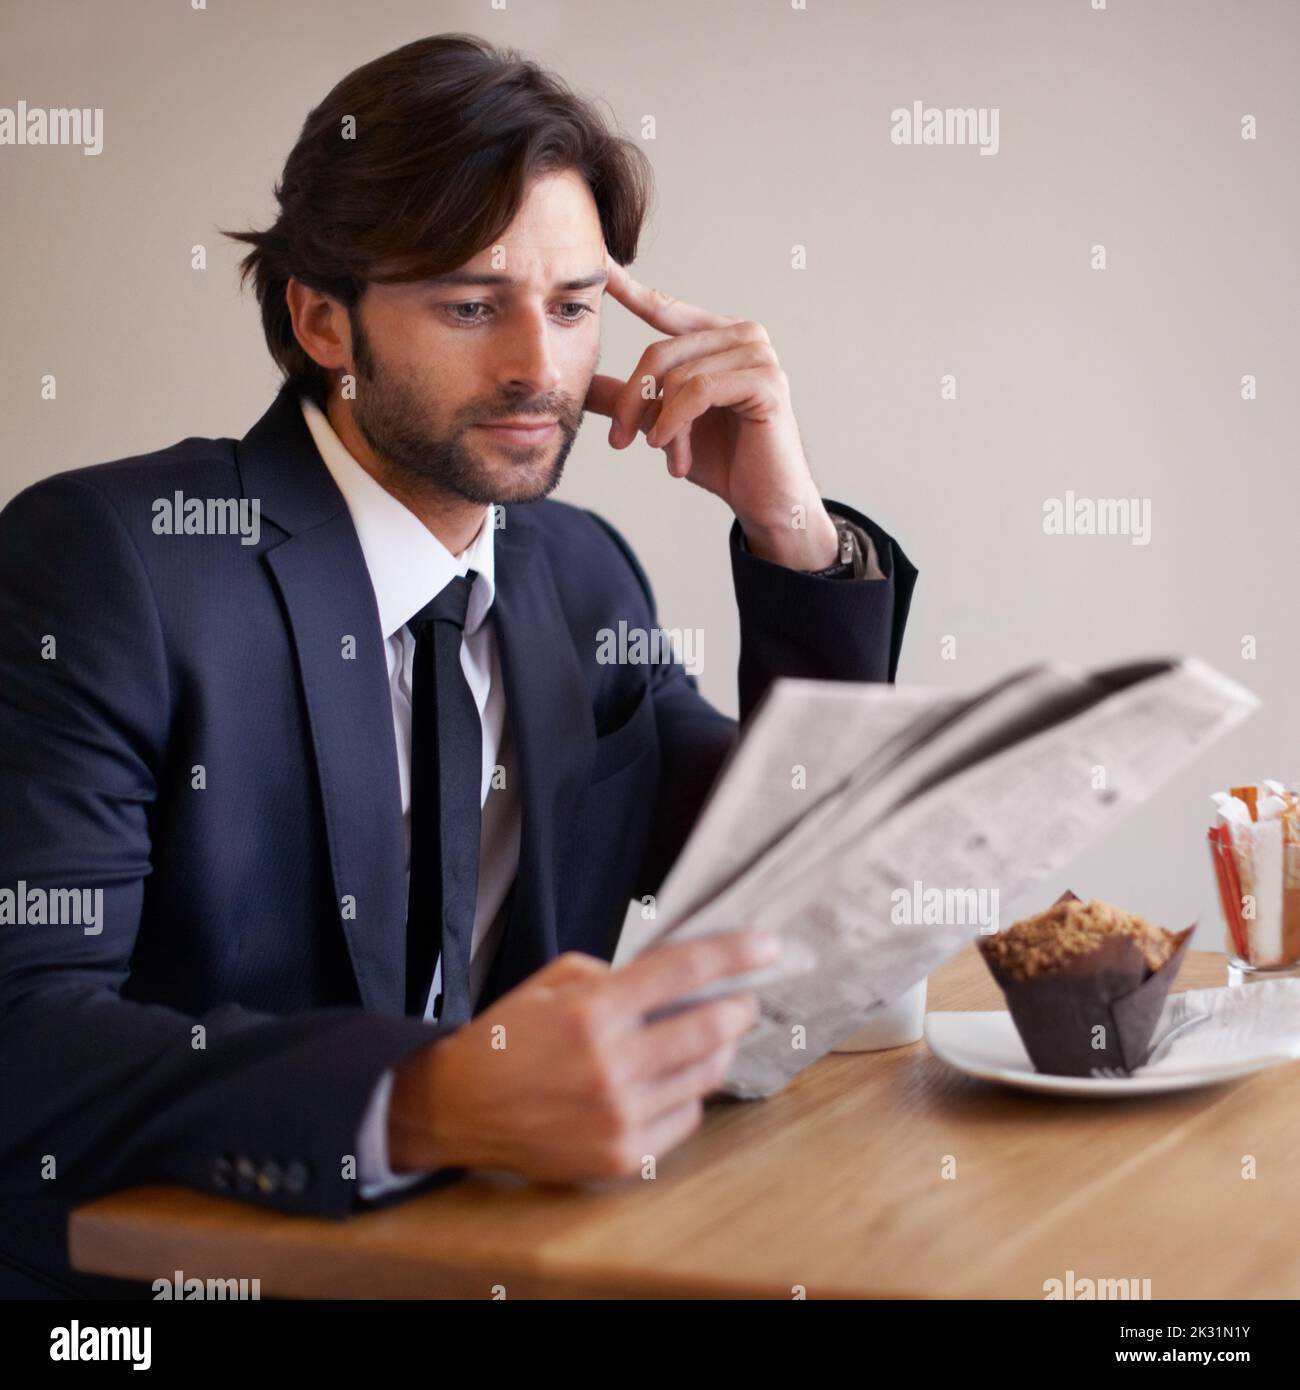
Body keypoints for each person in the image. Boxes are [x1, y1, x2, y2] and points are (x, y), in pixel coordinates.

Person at [0, 32, 916, 1298]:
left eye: (576, 305)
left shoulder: (580, 573)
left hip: (524, 1260)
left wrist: (793, 535)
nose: (542, 367)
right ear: (322, 318)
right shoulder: (113, 562)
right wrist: (429, 1100)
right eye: (472, 304)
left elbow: (797, 866)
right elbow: (26, 1034)